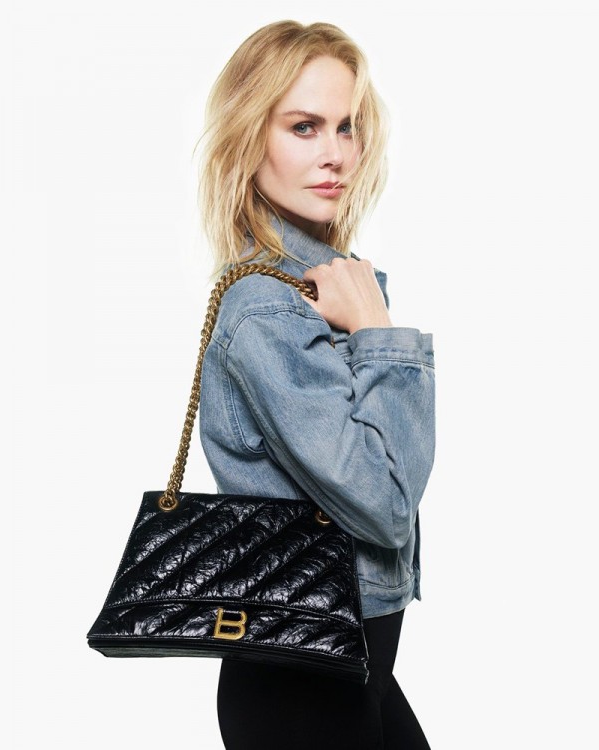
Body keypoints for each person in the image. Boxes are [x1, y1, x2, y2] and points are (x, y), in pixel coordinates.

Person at [195, 20, 435, 750]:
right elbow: (385, 508)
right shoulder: (269, 309)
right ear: (249, 139)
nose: (336, 153)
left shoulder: (316, 287)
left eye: (346, 126)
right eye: (304, 127)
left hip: (349, 667)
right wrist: (377, 331)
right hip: (300, 682)